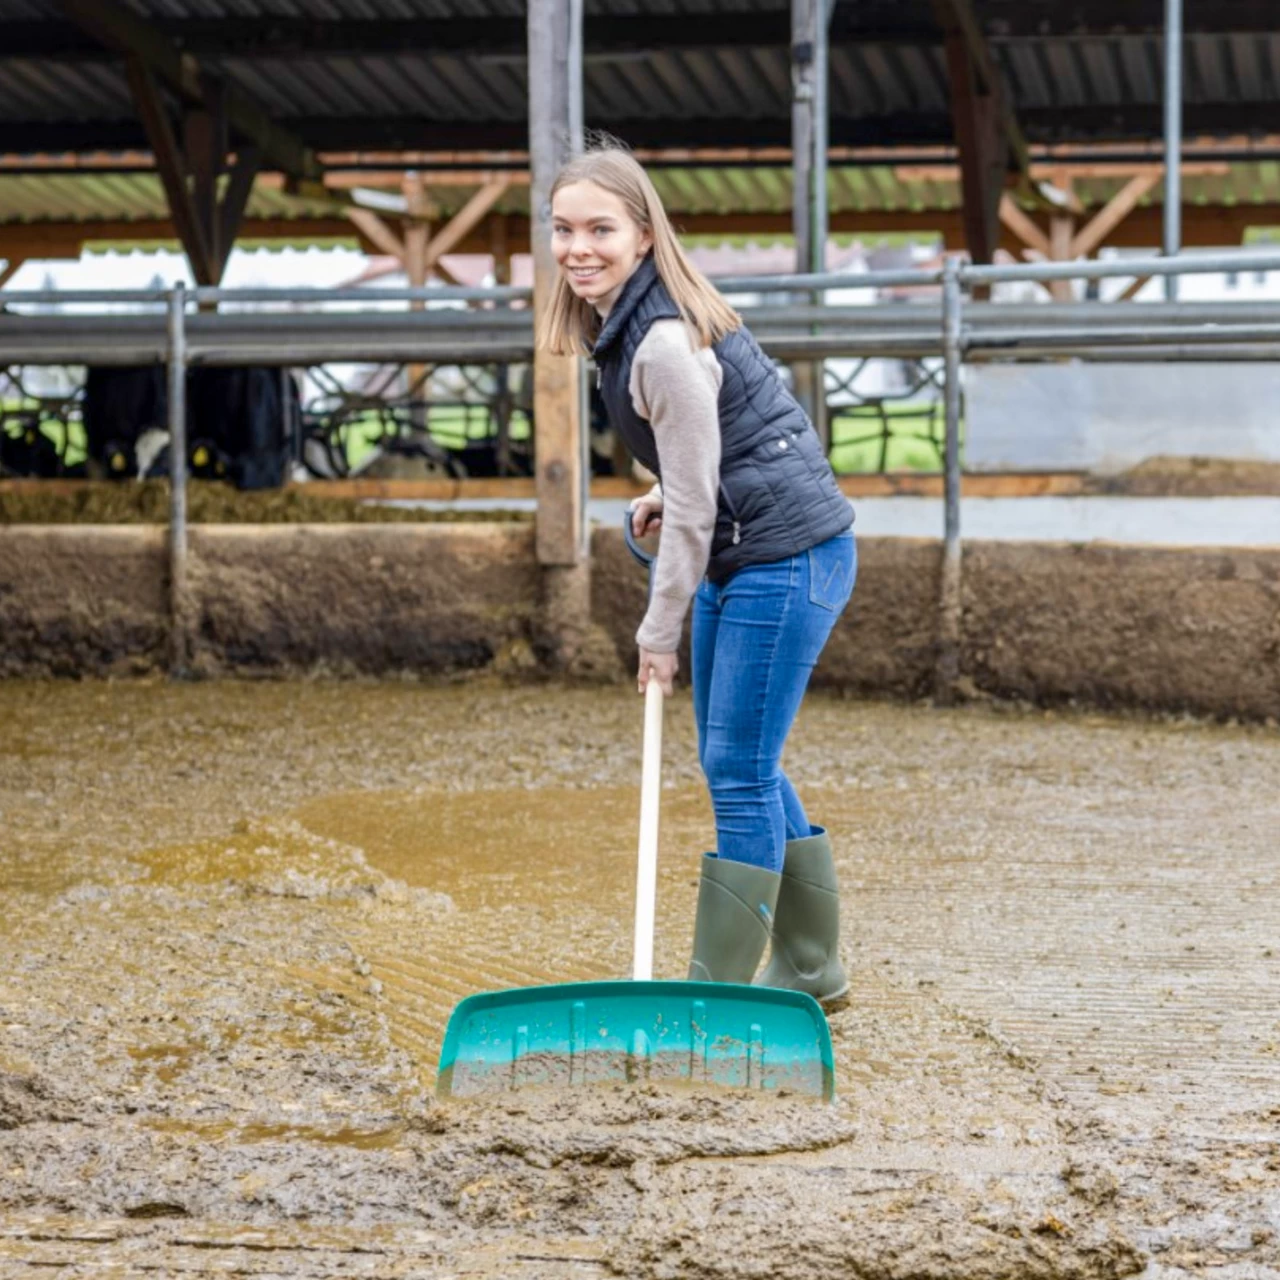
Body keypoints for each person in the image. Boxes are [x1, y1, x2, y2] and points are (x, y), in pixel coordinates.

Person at [537, 143, 856, 1002]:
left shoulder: (663, 343)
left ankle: (714, 997)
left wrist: (655, 634)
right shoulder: (630, 328)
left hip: (782, 560)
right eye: (563, 229)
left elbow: (700, 503)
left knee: (740, 770)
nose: (579, 248)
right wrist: (663, 492)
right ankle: (813, 966)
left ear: (643, 235)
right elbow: (709, 462)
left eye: (600, 229)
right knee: (743, 758)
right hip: (750, 546)